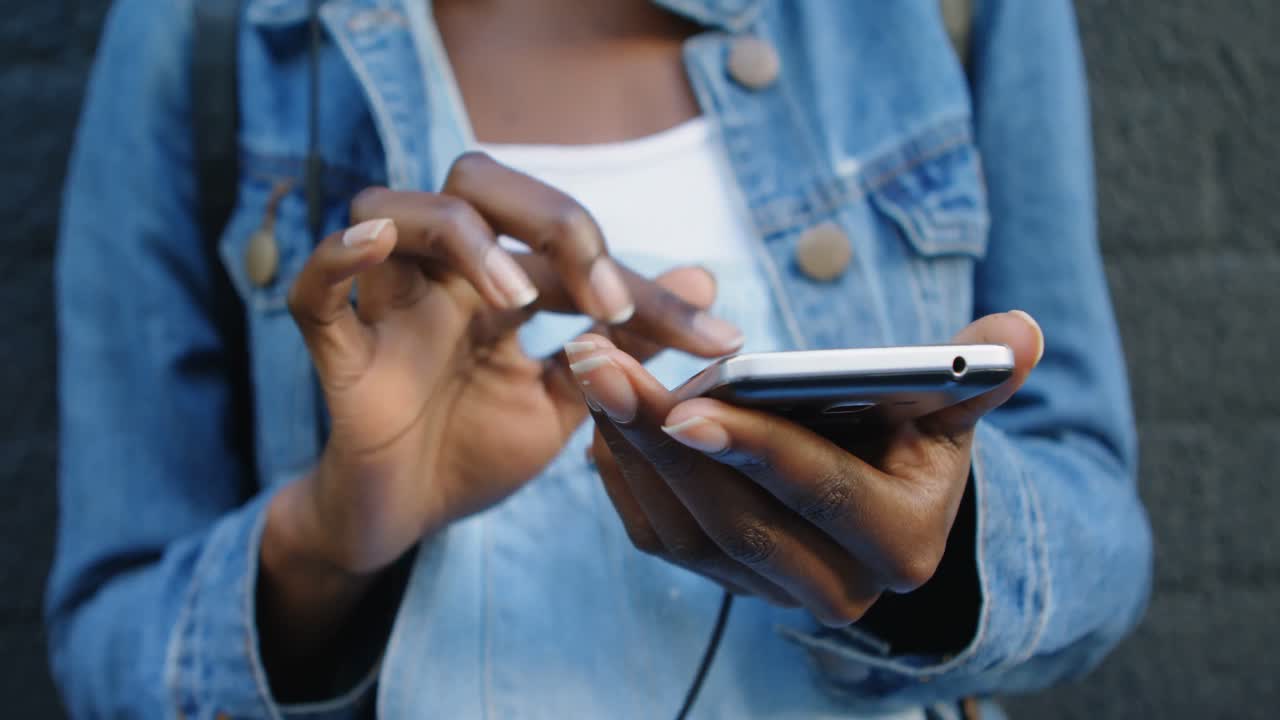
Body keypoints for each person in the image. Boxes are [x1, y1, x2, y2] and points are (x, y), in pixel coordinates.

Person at [46, 0, 1152, 717]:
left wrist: (938, 550)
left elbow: (1101, 536)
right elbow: (105, 641)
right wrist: (329, 539)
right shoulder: (205, 29)